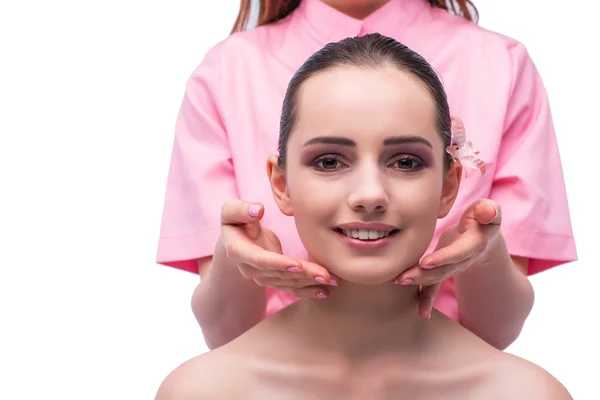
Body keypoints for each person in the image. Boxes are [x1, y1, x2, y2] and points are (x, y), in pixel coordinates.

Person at [155, 34, 572, 400]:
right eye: (329, 161)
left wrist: (482, 254)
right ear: (280, 184)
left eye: (407, 162)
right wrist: (234, 254)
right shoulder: (200, 390)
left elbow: (499, 323)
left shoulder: (528, 392)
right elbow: (224, 325)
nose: (369, 194)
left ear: (450, 186)